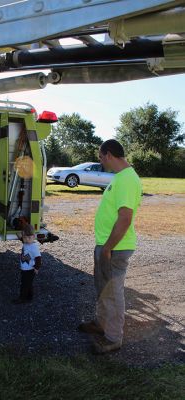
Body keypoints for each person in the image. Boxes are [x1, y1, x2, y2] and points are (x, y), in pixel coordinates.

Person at [78, 139, 142, 354]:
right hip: (107, 245)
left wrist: (107, 248)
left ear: (108, 154)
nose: (100, 161)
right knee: (103, 289)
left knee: (113, 293)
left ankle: (113, 338)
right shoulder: (121, 178)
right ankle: (101, 324)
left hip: (114, 247)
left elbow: (125, 218)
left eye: (100, 156)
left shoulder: (127, 180)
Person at [12, 223, 41, 304]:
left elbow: (38, 258)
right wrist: (20, 235)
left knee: (24, 284)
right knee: (28, 283)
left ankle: (22, 298)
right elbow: (21, 237)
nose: (27, 239)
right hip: (25, 268)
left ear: (34, 237)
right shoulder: (26, 242)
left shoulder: (34, 247)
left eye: (29, 237)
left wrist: (36, 268)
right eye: (25, 237)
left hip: (30, 269)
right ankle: (29, 296)